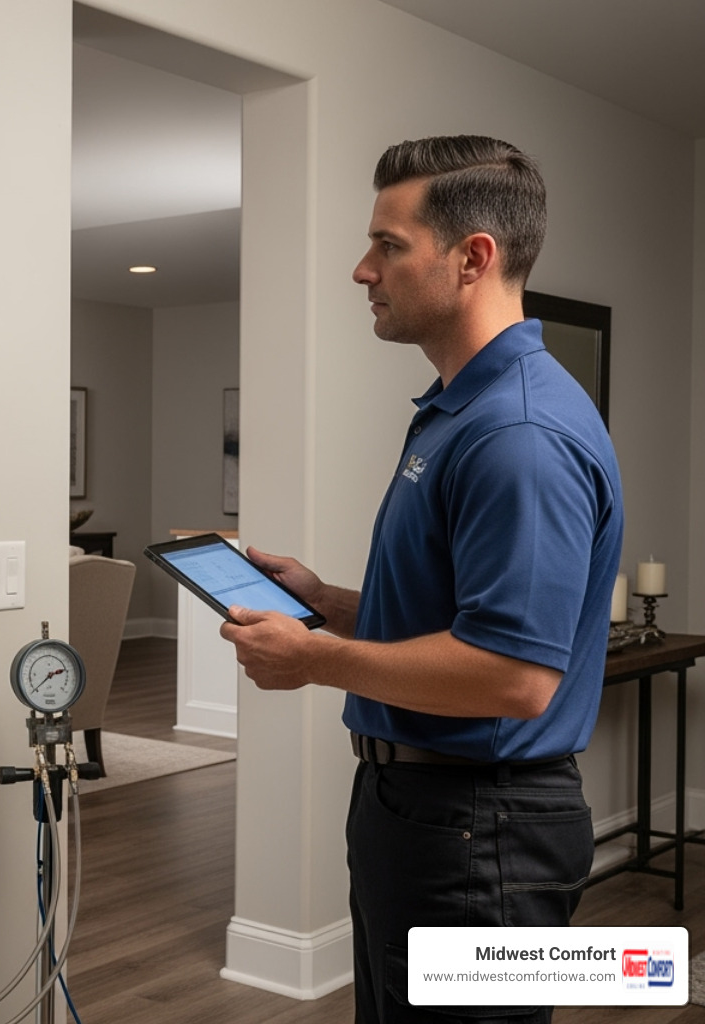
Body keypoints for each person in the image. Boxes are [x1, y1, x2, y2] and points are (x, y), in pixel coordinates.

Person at [218, 136, 623, 1024]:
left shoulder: (519, 434)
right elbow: (463, 618)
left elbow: (514, 676)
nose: (362, 270)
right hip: (423, 814)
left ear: (472, 258)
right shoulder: (459, 411)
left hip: (479, 832)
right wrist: (327, 604)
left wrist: (314, 660)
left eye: (388, 245)